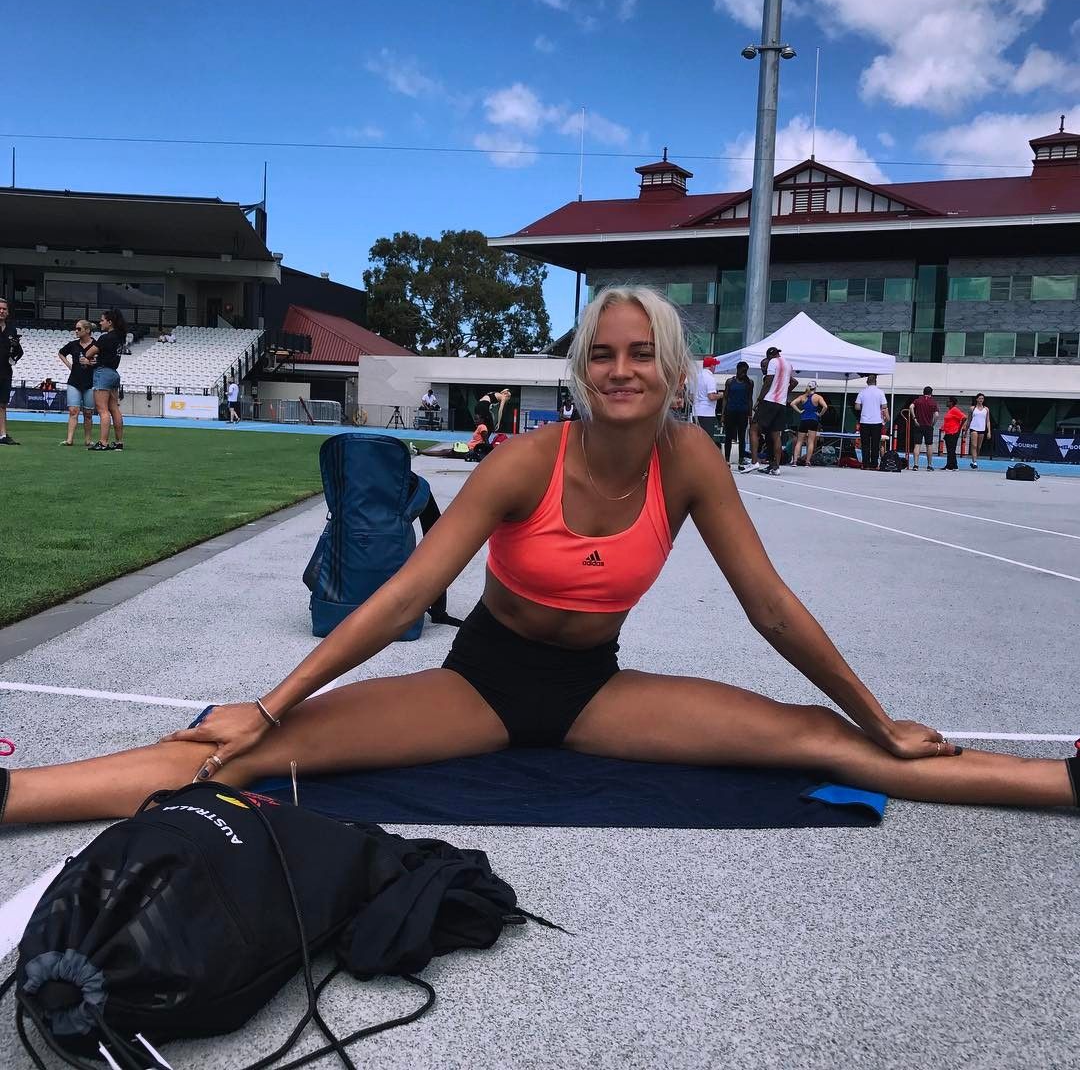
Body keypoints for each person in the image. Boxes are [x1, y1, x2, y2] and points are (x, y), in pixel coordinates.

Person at [2, 285, 1078, 830]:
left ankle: (1060, 783)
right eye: (601, 354)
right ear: (581, 370)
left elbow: (771, 607)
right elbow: (408, 595)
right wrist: (272, 701)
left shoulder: (691, 459)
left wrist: (875, 713)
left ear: (674, 371)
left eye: (641, 354)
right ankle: (17, 794)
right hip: (479, 685)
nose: (621, 370)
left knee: (821, 741)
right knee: (241, 756)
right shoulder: (525, 461)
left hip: (596, 692)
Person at [739, 347, 793, 476]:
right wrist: (784, 392)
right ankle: (776, 467)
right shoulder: (788, 364)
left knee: (753, 429)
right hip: (781, 403)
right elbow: (793, 381)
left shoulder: (773, 362)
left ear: (769, 356)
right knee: (776, 435)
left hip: (769, 401)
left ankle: (754, 462)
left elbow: (768, 381)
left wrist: (759, 399)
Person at [85, 309, 127, 451]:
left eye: (102, 320)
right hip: (114, 373)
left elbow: (89, 353)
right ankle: (119, 442)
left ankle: (103, 442)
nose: (100, 322)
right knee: (114, 408)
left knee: (102, 409)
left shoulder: (106, 337)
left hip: (103, 373)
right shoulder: (120, 337)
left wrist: (92, 359)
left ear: (110, 322)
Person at [57, 320, 98, 448]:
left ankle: (88, 440)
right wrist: (69, 365)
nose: (76, 331)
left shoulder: (96, 345)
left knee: (88, 413)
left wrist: (91, 363)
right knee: (73, 411)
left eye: (79, 329)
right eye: (76, 328)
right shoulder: (73, 344)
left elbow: (102, 361)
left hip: (90, 382)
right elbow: (61, 353)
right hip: (74, 381)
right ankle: (69, 439)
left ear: (87, 330)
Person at [721, 361, 754, 467]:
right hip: (730, 411)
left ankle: (741, 459)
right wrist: (723, 414)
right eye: (742, 371)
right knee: (729, 436)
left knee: (742, 436)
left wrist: (750, 415)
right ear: (737, 370)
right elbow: (725, 398)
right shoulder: (730, 382)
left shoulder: (749, 383)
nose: (744, 373)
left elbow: (750, 399)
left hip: (743, 412)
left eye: (746, 371)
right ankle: (727, 459)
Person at [0, 297, 23, 446]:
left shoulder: (11, 329)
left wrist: (15, 349)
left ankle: (2, 435)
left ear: (7, 312)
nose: (1, 311)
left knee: (2, 404)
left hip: (5, 371)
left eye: (4, 309)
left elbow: (17, 352)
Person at [855, 374, 889, 471]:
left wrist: (865, 406)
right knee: (875, 444)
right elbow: (884, 406)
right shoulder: (880, 392)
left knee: (865, 444)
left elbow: (857, 407)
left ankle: (865, 464)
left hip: (864, 421)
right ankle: (874, 464)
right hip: (876, 421)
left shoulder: (862, 392)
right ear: (876, 382)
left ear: (867, 382)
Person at [789, 381, 828, 466]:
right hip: (813, 420)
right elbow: (825, 406)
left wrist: (800, 411)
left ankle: (795, 461)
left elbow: (792, 404)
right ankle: (807, 462)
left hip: (804, 420)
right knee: (810, 442)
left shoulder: (802, 397)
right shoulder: (818, 397)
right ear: (815, 388)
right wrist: (820, 414)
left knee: (799, 441)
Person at [910, 386, 938, 471]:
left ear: (923, 392)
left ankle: (915, 465)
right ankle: (929, 465)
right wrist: (933, 423)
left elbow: (911, 407)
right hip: (928, 426)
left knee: (917, 444)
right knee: (929, 445)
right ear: (931, 393)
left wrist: (914, 419)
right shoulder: (933, 402)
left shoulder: (918, 400)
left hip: (918, 425)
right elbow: (936, 415)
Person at [693, 356, 720, 440]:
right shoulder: (710, 378)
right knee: (707, 439)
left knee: (697, 439)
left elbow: (691, 395)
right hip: (707, 413)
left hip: (696, 412)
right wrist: (722, 395)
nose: (715, 367)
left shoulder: (696, 377)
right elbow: (711, 396)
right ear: (712, 366)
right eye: (714, 365)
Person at [942, 397, 967, 471]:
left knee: (951, 449)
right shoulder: (950, 410)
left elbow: (964, 417)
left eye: (948, 401)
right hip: (948, 432)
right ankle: (950, 465)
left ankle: (954, 466)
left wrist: (959, 428)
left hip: (953, 432)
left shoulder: (955, 410)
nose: (946, 402)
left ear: (951, 403)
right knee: (949, 450)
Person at [968, 393, 991, 469]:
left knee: (978, 447)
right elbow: (969, 420)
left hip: (982, 429)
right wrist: (966, 430)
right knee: (974, 445)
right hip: (973, 428)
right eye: (980, 398)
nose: (981, 400)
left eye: (982, 399)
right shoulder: (972, 408)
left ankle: (974, 460)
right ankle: (974, 462)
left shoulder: (986, 409)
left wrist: (989, 432)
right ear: (977, 399)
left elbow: (988, 421)